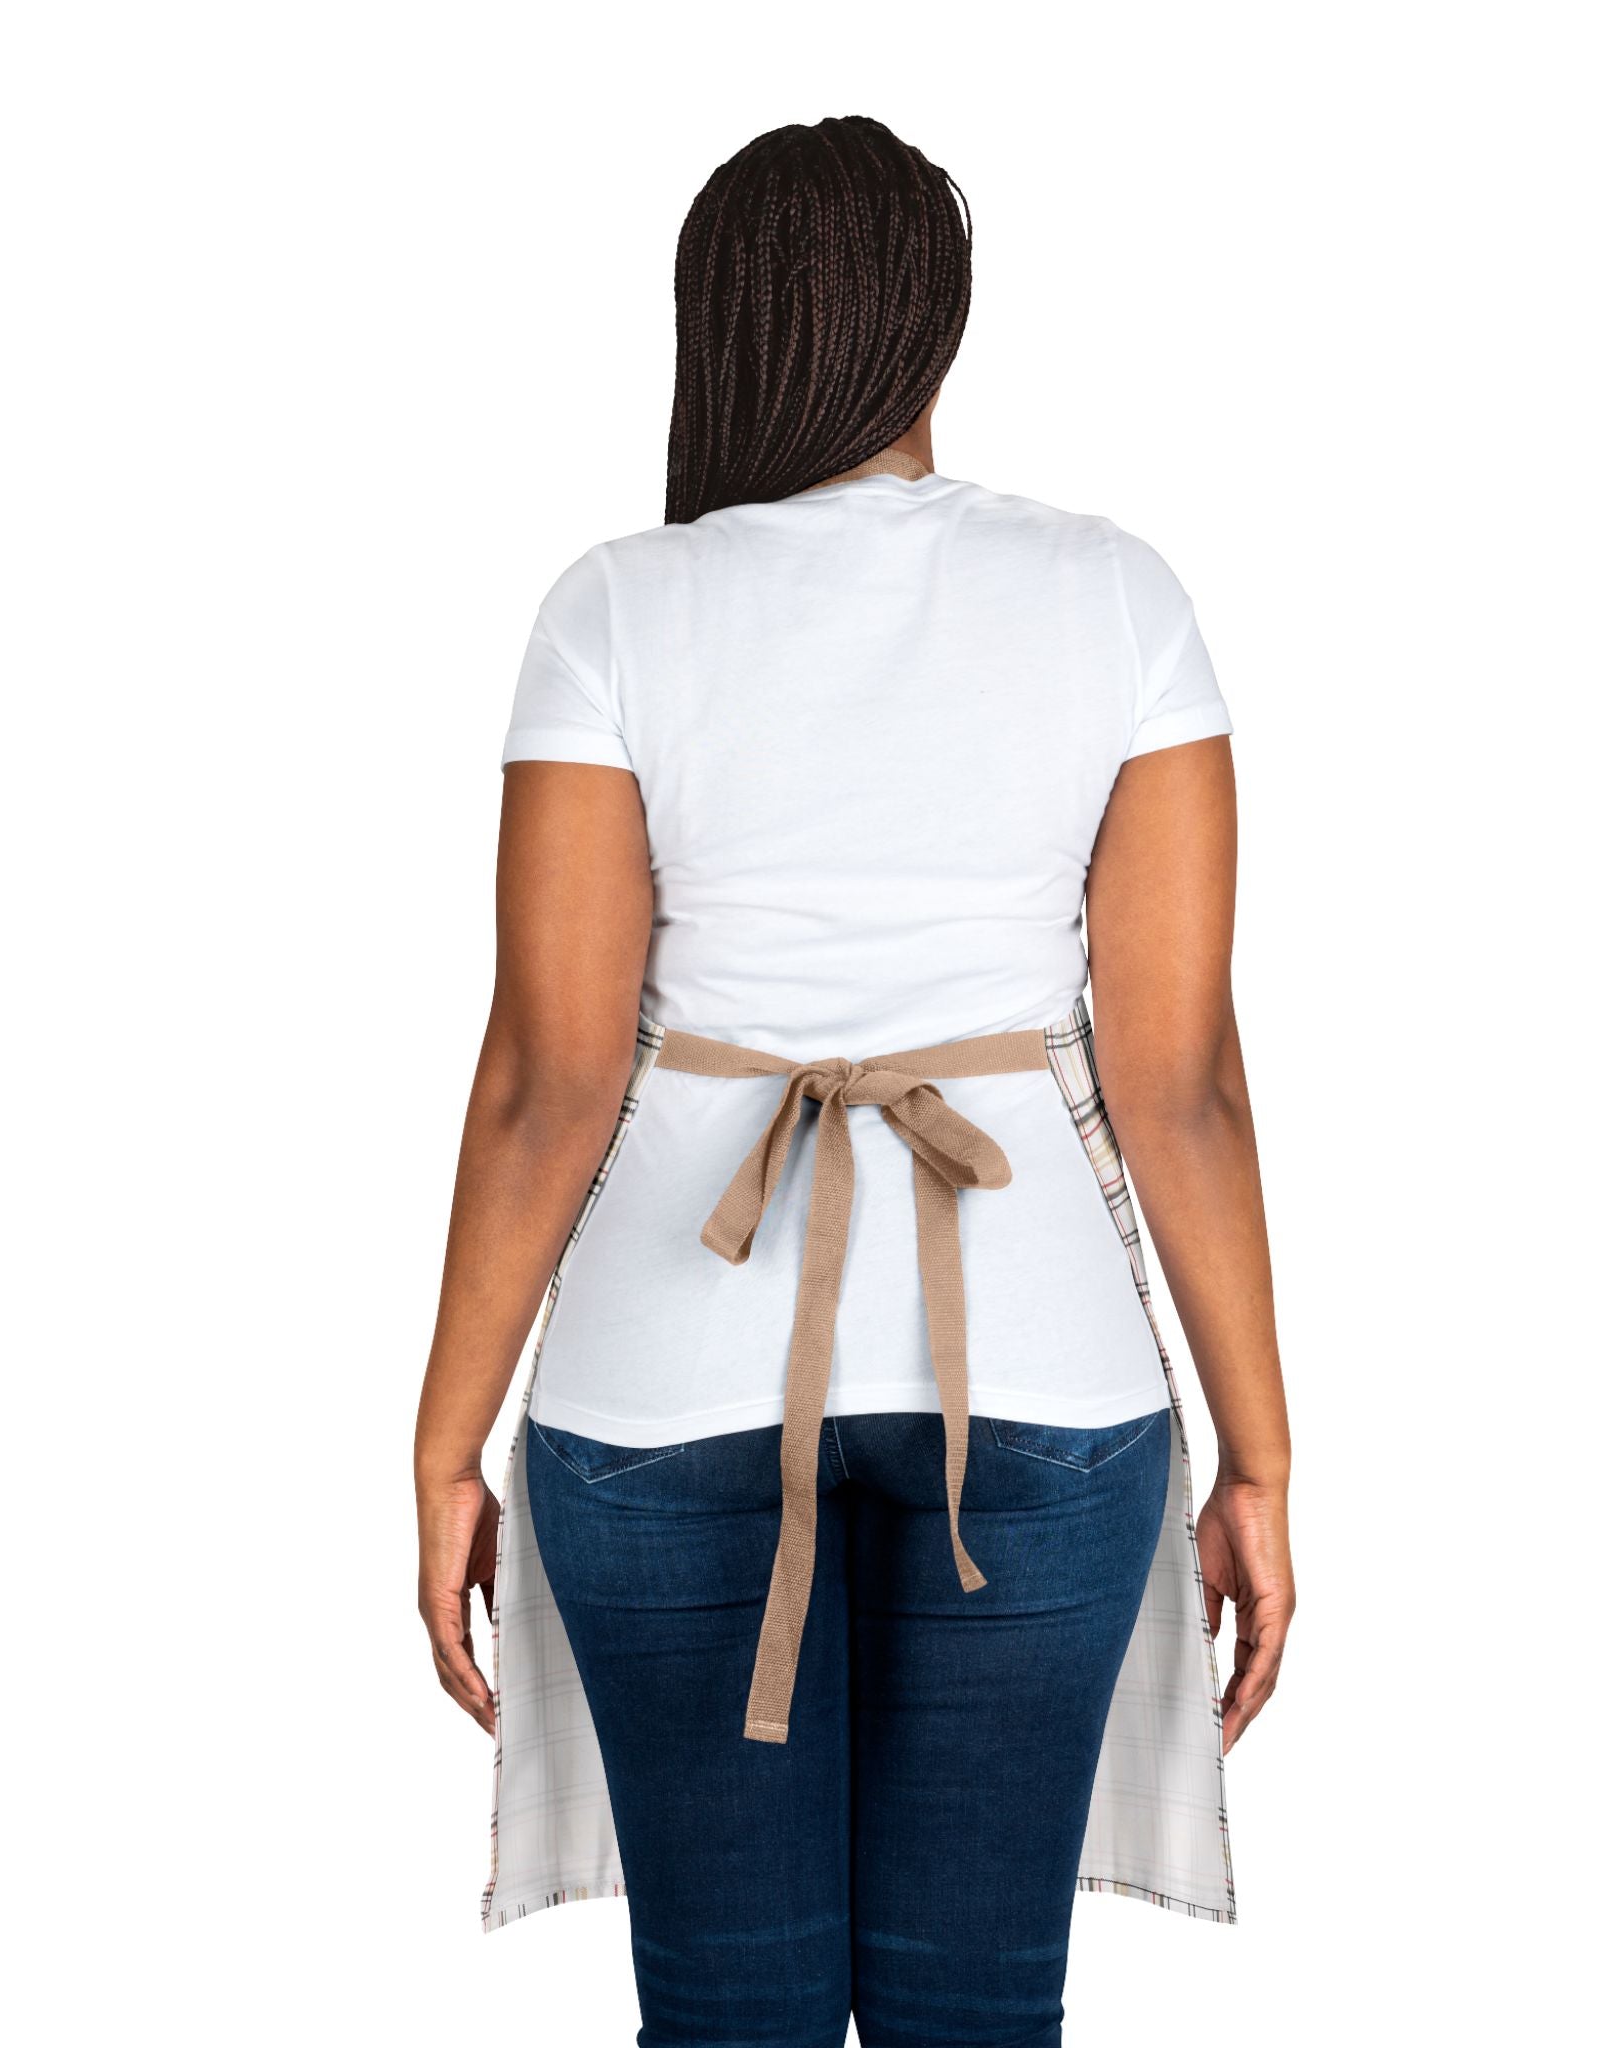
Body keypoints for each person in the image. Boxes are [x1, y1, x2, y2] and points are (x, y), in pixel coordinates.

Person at [414, 113, 1293, 2047]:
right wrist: (1259, 1455)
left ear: (713, 324)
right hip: (1044, 1390)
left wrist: (444, 1441)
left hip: (664, 1390)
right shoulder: (1115, 597)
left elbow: (550, 1076)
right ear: (940, 328)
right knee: (979, 2020)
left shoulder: (618, 607)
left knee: (725, 2020)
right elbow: (1183, 1083)